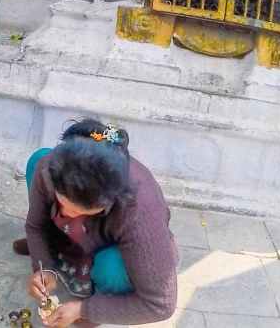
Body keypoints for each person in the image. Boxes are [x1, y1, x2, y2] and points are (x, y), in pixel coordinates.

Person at [12, 119, 178, 327]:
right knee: (37, 159)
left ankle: (96, 304)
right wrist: (45, 268)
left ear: (110, 201)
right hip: (77, 236)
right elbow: (36, 225)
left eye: (78, 211)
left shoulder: (139, 212)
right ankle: (55, 251)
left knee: (114, 266)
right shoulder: (51, 167)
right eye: (62, 203)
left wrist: (83, 310)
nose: (64, 215)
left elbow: (160, 305)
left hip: (113, 249)